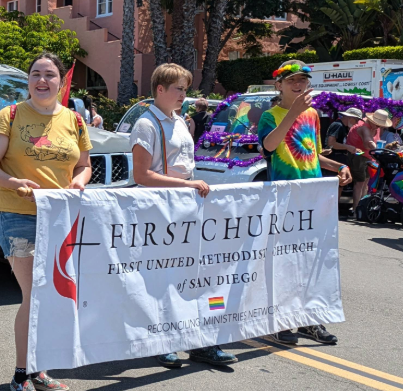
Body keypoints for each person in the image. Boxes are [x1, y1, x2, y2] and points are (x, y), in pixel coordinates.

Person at [0, 52, 92, 391]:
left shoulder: (74, 119)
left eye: (50, 75)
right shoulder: (9, 116)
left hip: (60, 218)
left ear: (61, 81)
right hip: (19, 214)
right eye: (35, 74)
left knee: (52, 297)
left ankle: (38, 368)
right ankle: (21, 374)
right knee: (35, 295)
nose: (42, 80)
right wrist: (14, 183)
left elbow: (85, 166)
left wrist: (78, 183)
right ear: (28, 80)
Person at [129, 64, 235, 367]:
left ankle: (200, 342)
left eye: (185, 89)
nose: (183, 95)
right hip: (160, 210)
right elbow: (142, 174)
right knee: (161, 279)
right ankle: (159, 339)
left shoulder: (179, 121)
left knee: (194, 276)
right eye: (178, 89)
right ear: (159, 89)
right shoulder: (147, 125)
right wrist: (186, 184)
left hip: (186, 207)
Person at [258, 59, 351, 346]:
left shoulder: (312, 114)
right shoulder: (270, 116)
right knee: (285, 261)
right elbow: (269, 147)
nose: (298, 86)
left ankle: (309, 319)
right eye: (291, 81)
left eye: (302, 81)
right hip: (285, 196)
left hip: (312, 196)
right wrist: (292, 113)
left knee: (311, 260)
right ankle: (280, 320)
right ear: (279, 85)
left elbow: (310, 152)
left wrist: (336, 166)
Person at [346, 109, 392, 216]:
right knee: (360, 183)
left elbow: (375, 142)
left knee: (366, 183)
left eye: (380, 125)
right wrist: (379, 150)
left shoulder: (377, 128)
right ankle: (356, 210)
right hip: (358, 156)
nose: (378, 127)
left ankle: (362, 208)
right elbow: (369, 142)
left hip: (368, 156)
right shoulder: (364, 127)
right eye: (377, 124)